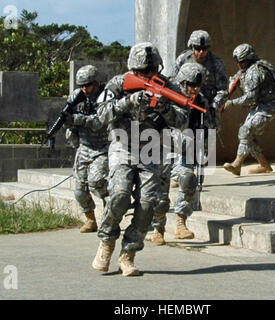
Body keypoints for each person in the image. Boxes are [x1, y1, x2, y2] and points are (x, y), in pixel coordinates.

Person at [69, 42, 188, 276]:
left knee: (146, 205)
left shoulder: (168, 86)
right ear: (132, 70)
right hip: (122, 146)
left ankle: (128, 254)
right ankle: (106, 242)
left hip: (152, 150)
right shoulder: (117, 84)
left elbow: (183, 121)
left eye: (151, 69)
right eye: (142, 71)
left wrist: (165, 108)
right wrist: (128, 102)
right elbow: (100, 115)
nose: (147, 75)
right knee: (120, 195)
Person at [152, 62, 219, 245]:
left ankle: (181, 223)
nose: (194, 89)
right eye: (190, 85)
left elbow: (208, 127)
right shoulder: (168, 97)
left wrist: (205, 150)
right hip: (163, 149)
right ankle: (158, 228)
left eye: (197, 86)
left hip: (186, 150)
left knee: (188, 179)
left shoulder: (201, 101)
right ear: (181, 83)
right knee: (160, 195)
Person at [169, 29, 228, 188]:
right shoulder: (183, 59)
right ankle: (181, 173)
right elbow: (173, 81)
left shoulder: (216, 63)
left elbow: (223, 89)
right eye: (197, 48)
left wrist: (214, 105)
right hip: (185, 105)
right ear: (191, 47)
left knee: (205, 142)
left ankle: (199, 174)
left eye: (205, 49)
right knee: (179, 139)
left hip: (206, 107)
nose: (201, 52)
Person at [223, 43, 275, 176]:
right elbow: (236, 78)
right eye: (238, 62)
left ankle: (237, 164)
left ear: (249, 59)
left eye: (242, 62)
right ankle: (264, 165)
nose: (239, 65)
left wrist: (231, 103)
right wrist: (231, 84)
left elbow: (250, 97)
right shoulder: (246, 69)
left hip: (266, 108)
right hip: (257, 108)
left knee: (245, 130)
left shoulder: (255, 71)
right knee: (247, 134)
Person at [64, 65, 109, 233]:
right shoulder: (76, 98)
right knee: (79, 191)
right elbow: (69, 118)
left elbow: (100, 122)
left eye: (88, 85)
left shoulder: (106, 97)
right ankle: (91, 220)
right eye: (81, 85)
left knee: (97, 182)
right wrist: (70, 126)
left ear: (96, 83)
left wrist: (77, 119)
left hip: (103, 146)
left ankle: (110, 211)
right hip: (84, 146)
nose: (85, 89)